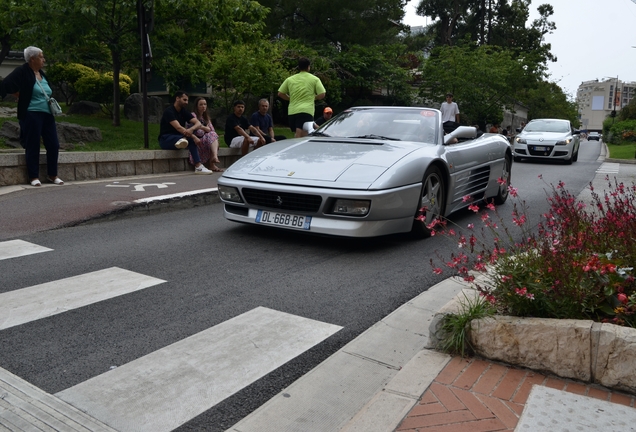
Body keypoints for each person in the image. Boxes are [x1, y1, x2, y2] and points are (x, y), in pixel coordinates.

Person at [0, 46, 64, 186]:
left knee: (53, 144)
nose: (43, 59)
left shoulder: (41, 73)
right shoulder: (22, 71)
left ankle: (53, 175)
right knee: (33, 144)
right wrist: (20, 95)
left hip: (47, 114)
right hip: (31, 113)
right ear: (32, 59)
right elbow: (6, 84)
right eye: (41, 57)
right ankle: (33, 177)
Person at [158, 91, 212, 174]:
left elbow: (198, 123)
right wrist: (193, 136)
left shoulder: (183, 111)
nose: (186, 102)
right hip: (166, 139)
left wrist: (191, 129)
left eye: (187, 100)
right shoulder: (169, 111)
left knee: (188, 140)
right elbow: (178, 127)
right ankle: (183, 141)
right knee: (190, 139)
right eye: (184, 100)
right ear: (177, 99)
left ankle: (198, 166)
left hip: (180, 137)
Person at [278, 57, 326, 138]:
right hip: (306, 111)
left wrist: (290, 98)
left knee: (299, 134)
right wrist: (313, 98)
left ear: (299, 67)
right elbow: (322, 94)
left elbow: (280, 93)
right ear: (308, 67)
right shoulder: (314, 79)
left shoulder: (290, 79)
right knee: (302, 136)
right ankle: (298, 150)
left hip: (292, 112)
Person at [191, 97, 223, 172]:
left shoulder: (206, 117)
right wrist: (205, 128)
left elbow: (212, 130)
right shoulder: (193, 115)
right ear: (196, 106)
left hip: (205, 139)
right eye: (201, 104)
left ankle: (214, 159)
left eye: (205, 104)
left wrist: (203, 128)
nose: (203, 106)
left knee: (213, 136)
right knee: (212, 137)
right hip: (195, 139)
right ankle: (213, 161)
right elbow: (197, 131)